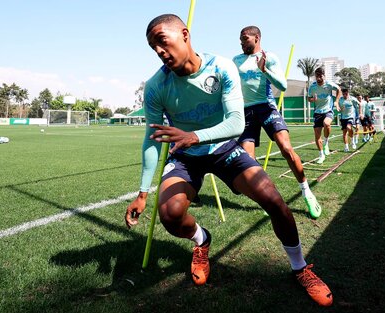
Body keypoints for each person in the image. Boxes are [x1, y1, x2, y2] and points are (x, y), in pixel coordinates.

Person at [125, 14, 333, 307]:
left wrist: (194, 136)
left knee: (275, 202)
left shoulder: (221, 66)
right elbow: (151, 138)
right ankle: (202, 240)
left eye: (162, 41)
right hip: (186, 157)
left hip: (225, 149)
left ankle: (301, 267)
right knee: (170, 216)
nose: (159, 51)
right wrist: (143, 192)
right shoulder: (157, 86)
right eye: (152, 47)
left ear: (185, 34)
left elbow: (236, 123)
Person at [232, 26, 321, 218]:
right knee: (248, 162)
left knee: (286, 149)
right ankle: (266, 196)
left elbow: (282, 85)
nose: (241, 42)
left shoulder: (269, 57)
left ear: (257, 38)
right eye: (240, 39)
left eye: (244, 38)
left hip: (267, 107)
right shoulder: (236, 61)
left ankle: (306, 191)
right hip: (246, 112)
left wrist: (264, 70)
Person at [307, 67, 342, 164]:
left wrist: (337, 101)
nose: (318, 78)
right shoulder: (312, 87)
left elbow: (339, 89)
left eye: (320, 76)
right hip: (318, 112)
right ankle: (321, 155)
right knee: (317, 135)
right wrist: (312, 99)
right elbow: (308, 98)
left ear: (324, 76)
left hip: (328, 110)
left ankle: (326, 142)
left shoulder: (329, 84)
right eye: (317, 76)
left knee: (326, 124)